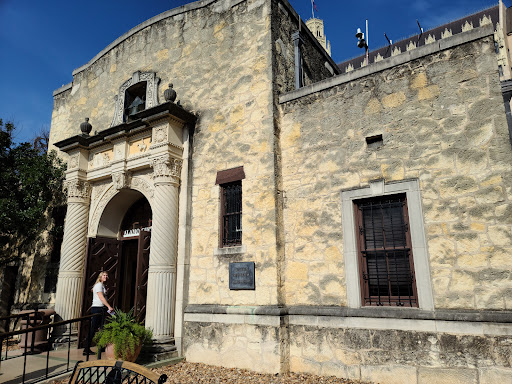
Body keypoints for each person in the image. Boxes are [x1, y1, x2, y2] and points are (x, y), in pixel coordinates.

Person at [83, 271, 114, 356]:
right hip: (97, 308)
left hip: (101, 308)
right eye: (104, 275)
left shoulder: (102, 286)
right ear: (100, 277)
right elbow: (101, 297)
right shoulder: (99, 285)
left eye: (107, 275)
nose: (105, 277)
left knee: (101, 328)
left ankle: (101, 346)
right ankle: (86, 349)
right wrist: (109, 306)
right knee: (93, 328)